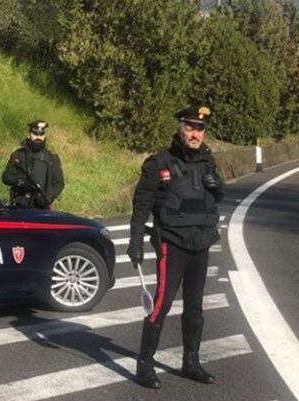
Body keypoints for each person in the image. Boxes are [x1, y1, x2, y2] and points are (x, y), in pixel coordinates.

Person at [127, 105, 224, 389]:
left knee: (195, 307)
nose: (196, 133)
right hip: (172, 243)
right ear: (180, 127)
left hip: (202, 242)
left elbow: (216, 196)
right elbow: (141, 205)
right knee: (161, 305)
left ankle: (190, 362)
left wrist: (217, 186)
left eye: (201, 128)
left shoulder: (207, 160)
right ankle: (144, 365)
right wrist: (135, 243)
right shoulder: (158, 163)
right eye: (191, 127)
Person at [1, 120, 64, 209]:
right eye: (35, 134)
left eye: (41, 134)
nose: (38, 137)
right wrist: (21, 182)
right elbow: (6, 177)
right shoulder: (18, 155)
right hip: (19, 206)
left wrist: (49, 197)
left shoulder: (51, 158)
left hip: (41, 207)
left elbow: (59, 183)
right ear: (29, 135)